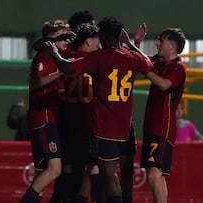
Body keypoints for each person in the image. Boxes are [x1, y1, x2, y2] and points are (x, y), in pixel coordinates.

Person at [45, 16, 164, 203]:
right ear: (120, 37)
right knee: (120, 173)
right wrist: (131, 44)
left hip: (104, 127)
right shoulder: (133, 58)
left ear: (103, 37)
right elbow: (148, 63)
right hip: (125, 127)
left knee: (108, 175)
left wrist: (54, 53)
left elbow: (67, 68)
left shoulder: (99, 57)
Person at [19, 19, 73, 203]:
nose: (67, 40)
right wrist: (61, 72)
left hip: (52, 118)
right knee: (55, 168)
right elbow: (35, 82)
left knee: (42, 171)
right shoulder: (45, 56)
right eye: (62, 36)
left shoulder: (57, 57)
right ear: (50, 39)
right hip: (44, 118)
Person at [49, 22, 101, 203]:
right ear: (88, 42)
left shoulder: (64, 58)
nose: (99, 46)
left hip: (66, 125)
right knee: (94, 168)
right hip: (88, 126)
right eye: (97, 42)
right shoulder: (94, 62)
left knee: (66, 172)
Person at [140, 27, 187, 203]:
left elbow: (164, 84)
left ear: (172, 45)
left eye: (161, 40)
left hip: (162, 127)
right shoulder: (159, 62)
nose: (157, 43)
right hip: (152, 126)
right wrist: (136, 43)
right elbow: (142, 61)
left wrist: (145, 70)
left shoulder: (179, 67)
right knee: (157, 174)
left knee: (153, 173)